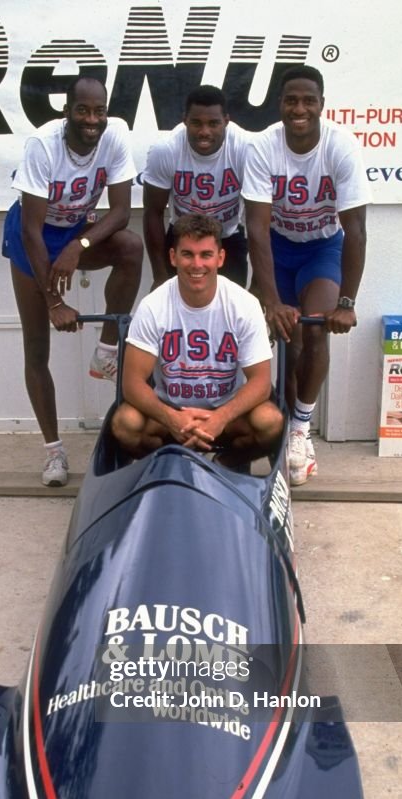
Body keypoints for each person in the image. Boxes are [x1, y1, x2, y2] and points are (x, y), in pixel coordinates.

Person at [2, 76, 143, 486]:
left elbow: (119, 212)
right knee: (36, 347)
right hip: (33, 237)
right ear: (68, 111)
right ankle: (54, 453)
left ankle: (106, 349)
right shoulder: (43, 145)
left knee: (130, 248)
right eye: (83, 110)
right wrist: (54, 302)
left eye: (99, 110)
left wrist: (78, 245)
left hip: (75, 233)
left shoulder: (114, 137)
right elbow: (31, 231)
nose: (92, 119)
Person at [243, 65, 370, 486]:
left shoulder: (341, 146)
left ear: (321, 104)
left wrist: (348, 303)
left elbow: (356, 231)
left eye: (308, 101)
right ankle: (252, 428)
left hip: (321, 247)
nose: (299, 109)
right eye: (291, 100)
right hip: (276, 248)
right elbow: (257, 229)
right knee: (282, 340)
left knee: (315, 330)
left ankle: (299, 430)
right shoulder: (264, 146)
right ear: (280, 105)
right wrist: (271, 298)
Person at [111, 214, 283, 466]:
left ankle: (225, 463)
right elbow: (132, 383)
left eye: (206, 255)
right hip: (170, 411)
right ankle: (167, 464)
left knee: (270, 421)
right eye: (188, 254)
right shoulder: (152, 306)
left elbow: (260, 382)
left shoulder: (244, 305)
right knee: (125, 424)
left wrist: (221, 418)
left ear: (220, 258)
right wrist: (171, 418)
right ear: (173, 257)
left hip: (227, 411)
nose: (196, 264)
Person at [142, 85, 249, 289]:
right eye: (196, 123)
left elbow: (259, 216)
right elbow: (153, 213)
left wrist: (259, 283)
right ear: (185, 120)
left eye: (213, 123)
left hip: (228, 237)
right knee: (176, 313)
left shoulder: (246, 147)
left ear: (226, 121)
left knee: (230, 311)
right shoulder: (165, 149)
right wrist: (159, 275)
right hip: (183, 238)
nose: (204, 132)